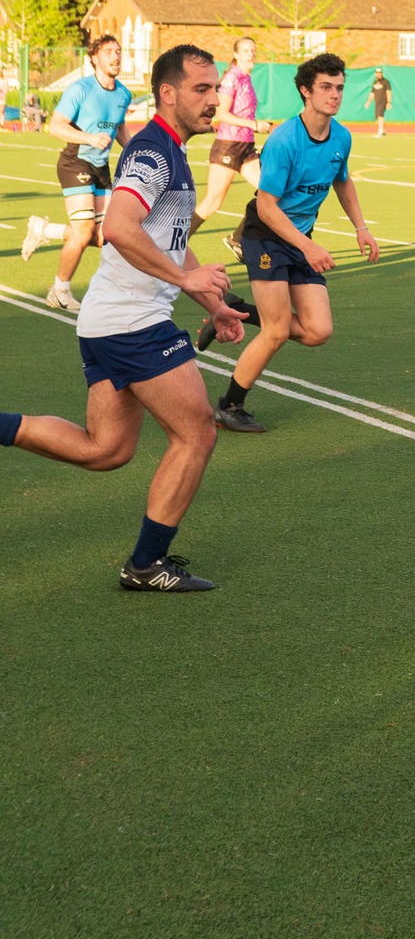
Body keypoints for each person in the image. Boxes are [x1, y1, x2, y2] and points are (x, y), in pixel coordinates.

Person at [2, 44, 244, 591]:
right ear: (168, 93)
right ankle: (145, 565)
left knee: (105, 449)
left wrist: (213, 304)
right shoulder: (154, 152)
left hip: (110, 321)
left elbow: (169, 240)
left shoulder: (171, 149)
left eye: (215, 88)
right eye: (201, 89)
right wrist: (185, 281)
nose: (213, 100)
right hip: (133, 323)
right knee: (197, 433)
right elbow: (118, 228)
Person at [211, 53, 379, 434]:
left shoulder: (341, 137)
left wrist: (361, 227)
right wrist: (308, 247)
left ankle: (237, 309)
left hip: (300, 239)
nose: (335, 95)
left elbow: (342, 181)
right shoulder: (284, 140)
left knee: (318, 330)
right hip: (266, 236)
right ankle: (230, 405)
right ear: (305, 91)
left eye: (339, 88)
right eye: (326, 87)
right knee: (276, 331)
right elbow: (266, 207)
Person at [22, 35, 134, 311]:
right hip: (75, 162)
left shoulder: (123, 94)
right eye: (108, 51)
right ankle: (59, 291)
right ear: (94, 58)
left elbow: (119, 127)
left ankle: (44, 229)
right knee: (83, 232)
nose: (116, 56)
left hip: (101, 167)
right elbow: (56, 126)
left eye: (118, 51)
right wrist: (89, 138)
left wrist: (136, 151)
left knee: (107, 237)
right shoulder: (80, 89)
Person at [190, 36, 269, 260]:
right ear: (236, 54)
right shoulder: (232, 78)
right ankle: (173, 244)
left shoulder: (246, 78)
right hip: (228, 146)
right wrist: (254, 125)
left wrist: (256, 126)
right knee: (211, 203)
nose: (251, 54)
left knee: (270, 192)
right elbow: (220, 113)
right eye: (245, 51)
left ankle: (238, 239)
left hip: (246, 147)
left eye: (253, 50)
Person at [364, 67, 391, 139]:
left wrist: (389, 102)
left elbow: (388, 92)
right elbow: (372, 93)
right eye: (377, 73)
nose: (378, 74)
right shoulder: (375, 82)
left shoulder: (386, 82)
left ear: (382, 73)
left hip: (383, 101)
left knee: (380, 115)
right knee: (377, 117)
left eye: (379, 73)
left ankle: (380, 131)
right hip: (377, 102)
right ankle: (383, 130)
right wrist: (368, 102)